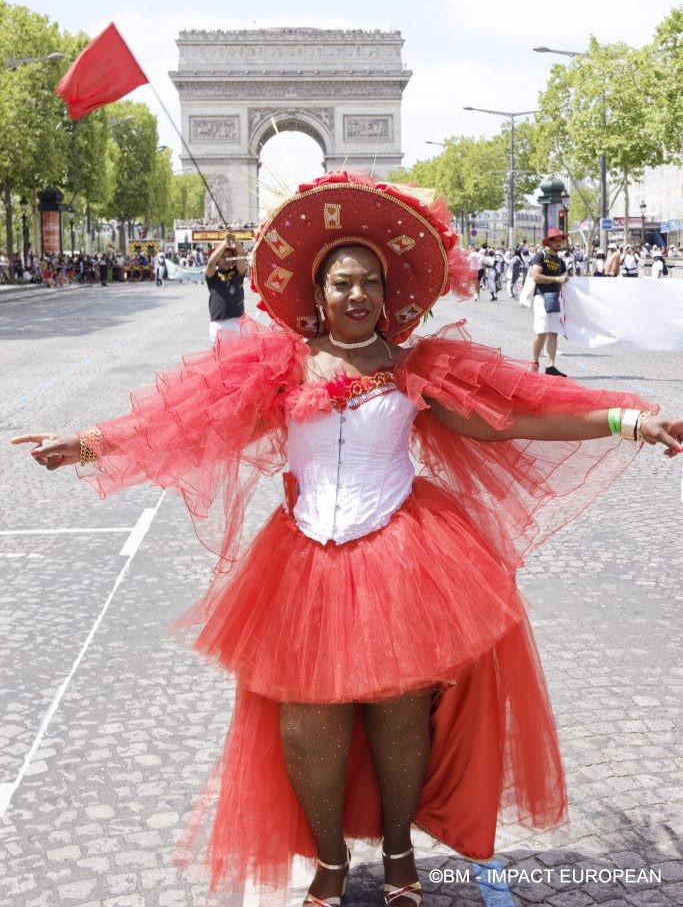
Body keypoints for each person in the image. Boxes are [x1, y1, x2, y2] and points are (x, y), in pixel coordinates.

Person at [12, 172, 683, 907]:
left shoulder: (415, 368)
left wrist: (624, 418)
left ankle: (400, 858)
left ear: (388, 293)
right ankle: (328, 862)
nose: (355, 294)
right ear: (316, 293)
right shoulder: (277, 368)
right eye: (340, 283)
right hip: (301, 561)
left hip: (400, 548)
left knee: (399, 715)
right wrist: (91, 441)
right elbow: (190, 418)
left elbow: (514, 411)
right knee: (307, 721)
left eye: (368, 281)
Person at [529, 228, 570, 377]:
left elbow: (566, 280)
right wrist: (557, 279)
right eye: (557, 240)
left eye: (561, 240)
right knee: (541, 333)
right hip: (541, 297)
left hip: (555, 298)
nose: (560, 243)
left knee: (553, 333)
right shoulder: (540, 256)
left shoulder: (560, 261)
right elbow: (536, 276)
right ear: (549, 242)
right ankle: (534, 363)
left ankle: (551, 366)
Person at [204, 235, 248, 345]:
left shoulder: (238, 272)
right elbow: (211, 263)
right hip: (218, 324)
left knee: (237, 360)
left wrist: (234, 239)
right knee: (219, 360)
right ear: (217, 259)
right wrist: (225, 243)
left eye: (229, 256)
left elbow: (242, 256)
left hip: (237, 322)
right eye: (222, 256)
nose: (226, 259)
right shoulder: (212, 275)